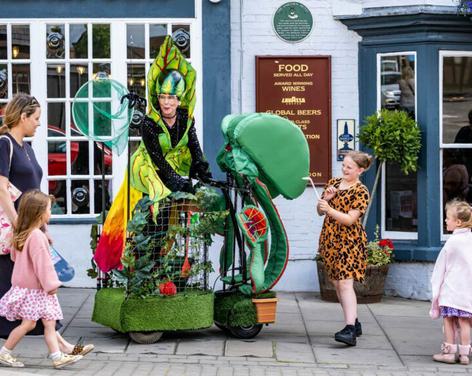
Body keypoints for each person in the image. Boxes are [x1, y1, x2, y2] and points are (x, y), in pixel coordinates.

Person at [0, 93, 93, 355]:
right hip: (16, 232)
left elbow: (35, 190)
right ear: (23, 117)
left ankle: (60, 346)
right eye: (37, 118)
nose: (39, 124)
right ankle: (57, 347)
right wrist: (19, 225)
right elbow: (1, 188)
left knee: (36, 289)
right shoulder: (5, 144)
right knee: (32, 289)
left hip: (31, 228)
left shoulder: (26, 147)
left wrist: (44, 228)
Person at [0, 191, 82, 368]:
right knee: (28, 324)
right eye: (49, 209)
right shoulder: (37, 236)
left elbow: (15, 258)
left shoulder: (23, 233)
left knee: (49, 323)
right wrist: (51, 285)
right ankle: (5, 353)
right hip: (37, 290)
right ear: (39, 213)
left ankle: (57, 356)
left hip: (29, 289)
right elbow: (43, 265)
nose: (51, 213)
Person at [317, 151, 372, 346]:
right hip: (331, 239)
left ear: (360, 170)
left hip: (349, 242)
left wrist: (330, 210)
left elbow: (350, 220)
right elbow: (319, 210)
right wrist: (327, 200)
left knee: (346, 284)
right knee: (337, 283)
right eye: (344, 165)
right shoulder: (333, 183)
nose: (345, 169)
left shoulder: (361, 191)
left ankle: (349, 330)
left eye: (349, 167)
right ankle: (354, 322)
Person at [430, 199, 472, 365]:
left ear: (458, 222)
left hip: (452, 289)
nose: (446, 220)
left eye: (448, 218)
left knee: (449, 320)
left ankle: (448, 352)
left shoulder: (452, 242)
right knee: (465, 321)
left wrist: (437, 289)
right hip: (467, 291)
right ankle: (464, 354)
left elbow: (441, 267)